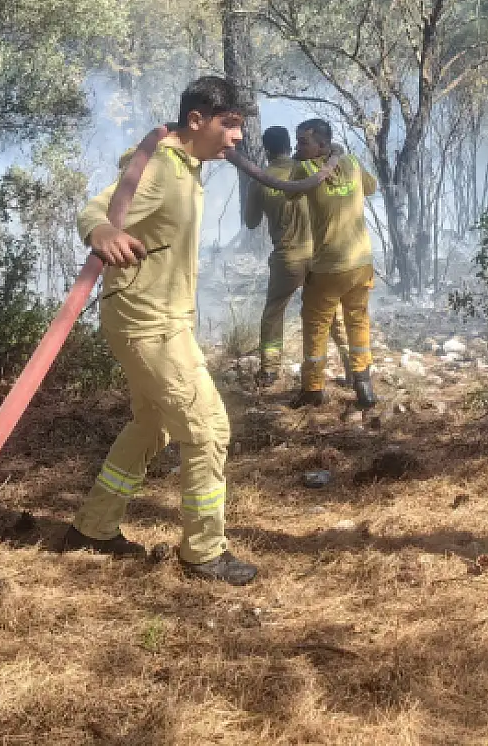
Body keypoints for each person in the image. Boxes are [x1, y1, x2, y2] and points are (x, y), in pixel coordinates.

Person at [62, 76, 259, 586]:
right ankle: (203, 552)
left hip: (161, 319)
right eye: (229, 124)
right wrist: (103, 230)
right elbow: (97, 207)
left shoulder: (186, 164)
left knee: (152, 425)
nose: (236, 137)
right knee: (208, 429)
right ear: (197, 120)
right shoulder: (157, 168)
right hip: (147, 321)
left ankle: (94, 527)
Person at [241, 125, 346, 388]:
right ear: (291, 145)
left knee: (274, 313)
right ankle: (354, 367)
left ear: (266, 149)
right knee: (332, 313)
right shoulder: (310, 170)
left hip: (287, 259)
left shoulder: (261, 179)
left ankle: (269, 370)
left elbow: (251, 222)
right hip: (319, 255)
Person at [290, 118, 379, 411]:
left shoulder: (304, 168)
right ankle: (363, 382)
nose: (298, 147)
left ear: (323, 145)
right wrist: (340, 159)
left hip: (329, 267)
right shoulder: (351, 162)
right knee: (357, 320)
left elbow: (290, 192)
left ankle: (313, 388)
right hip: (361, 263)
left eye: (303, 142)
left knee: (316, 324)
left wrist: (305, 160)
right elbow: (371, 188)